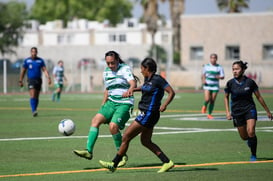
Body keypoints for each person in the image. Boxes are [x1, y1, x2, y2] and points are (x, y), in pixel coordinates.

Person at [99, 57, 175, 173]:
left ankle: (114, 164)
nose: (140, 71)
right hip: (148, 114)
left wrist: (164, 105)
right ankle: (167, 162)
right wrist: (132, 90)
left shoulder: (158, 79)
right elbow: (145, 88)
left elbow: (171, 92)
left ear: (147, 68)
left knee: (126, 137)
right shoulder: (147, 79)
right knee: (145, 141)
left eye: (142, 68)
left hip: (148, 114)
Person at [73, 51, 137, 167]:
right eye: (108, 63)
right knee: (95, 120)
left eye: (113, 63)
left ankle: (121, 155)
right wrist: (103, 104)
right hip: (111, 103)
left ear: (117, 60)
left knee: (113, 127)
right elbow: (108, 89)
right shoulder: (106, 72)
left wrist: (130, 89)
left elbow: (133, 83)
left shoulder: (125, 69)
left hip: (125, 103)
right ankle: (88, 151)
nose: (111, 66)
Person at [224, 60, 272, 161]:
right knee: (244, 137)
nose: (235, 71)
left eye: (237, 69)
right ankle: (250, 141)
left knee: (251, 132)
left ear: (242, 70)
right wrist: (228, 112)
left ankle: (253, 155)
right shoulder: (230, 83)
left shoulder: (250, 82)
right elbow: (226, 97)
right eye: (233, 69)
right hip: (237, 112)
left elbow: (259, 97)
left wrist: (267, 111)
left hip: (249, 109)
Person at [18, 47, 51, 117]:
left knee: (36, 96)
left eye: (35, 52)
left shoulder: (40, 61)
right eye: (32, 52)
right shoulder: (27, 61)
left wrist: (48, 77)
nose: (34, 53)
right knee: (32, 95)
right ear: (30, 52)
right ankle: (33, 111)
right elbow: (23, 71)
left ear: (37, 52)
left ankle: (35, 109)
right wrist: (20, 80)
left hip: (38, 80)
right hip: (31, 80)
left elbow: (44, 70)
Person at [201, 53, 225, 119]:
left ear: (216, 59)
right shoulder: (206, 66)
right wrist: (203, 81)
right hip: (207, 85)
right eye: (212, 58)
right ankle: (204, 105)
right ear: (210, 59)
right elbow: (203, 75)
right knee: (207, 99)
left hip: (215, 86)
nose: (213, 59)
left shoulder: (219, 67)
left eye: (214, 58)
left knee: (212, 100)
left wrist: (219, 77)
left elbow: (223, 77)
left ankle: (209, 114)